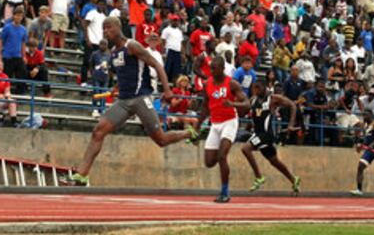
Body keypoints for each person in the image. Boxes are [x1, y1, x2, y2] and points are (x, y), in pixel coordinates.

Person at [69, 17, 198, 186]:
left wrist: (167, 90)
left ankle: (189, 133)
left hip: (141, 98)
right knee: (98, 132)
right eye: (103, 29)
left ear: (117, 27)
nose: (105, 32)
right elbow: (123, 74)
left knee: (161, 140)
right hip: (123, 101)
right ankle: (81, 174)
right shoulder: (114, 52)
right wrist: (116, 88)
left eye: (107, 28)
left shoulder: (132, 46)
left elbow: (157, 65)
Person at [195, 56, 249, 203]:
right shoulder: (207, 84)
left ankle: (225, 192)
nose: (211, 71)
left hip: (230, 122)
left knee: (222, 155)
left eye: (214, 68)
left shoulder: (231, 84)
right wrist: (198, 124)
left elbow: (247, 103)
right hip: (215, 123)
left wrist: (232, 104)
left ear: (222, 68)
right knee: (209, 162)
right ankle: (223, 167)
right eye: (210, 68)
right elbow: (205, 106)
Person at [242, 80, 302, 194]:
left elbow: (293, 105)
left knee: (245, 148)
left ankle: (258, 177)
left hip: (266, 134)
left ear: (264, 87)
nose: (255, 91)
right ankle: (294, 179)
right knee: (274, 161)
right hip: (257, 133)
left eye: (258, 88)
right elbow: (255, 115)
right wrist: (249, 125)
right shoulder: (253, 100)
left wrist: (290, 124)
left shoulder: (273, 99)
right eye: (254, 88)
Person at [0, 6, 28, 93]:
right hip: (7, 56)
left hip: (18, 56)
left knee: (22, 74)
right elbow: (0, 39)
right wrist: (0, 54)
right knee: (7, 76)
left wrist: (24, 56)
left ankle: (20, 93)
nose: (18, 17)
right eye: (17, 15)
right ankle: (5, 93)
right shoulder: (7, 27)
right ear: (14, 16)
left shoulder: (23, 29)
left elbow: (23, 43)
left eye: (20, 16)